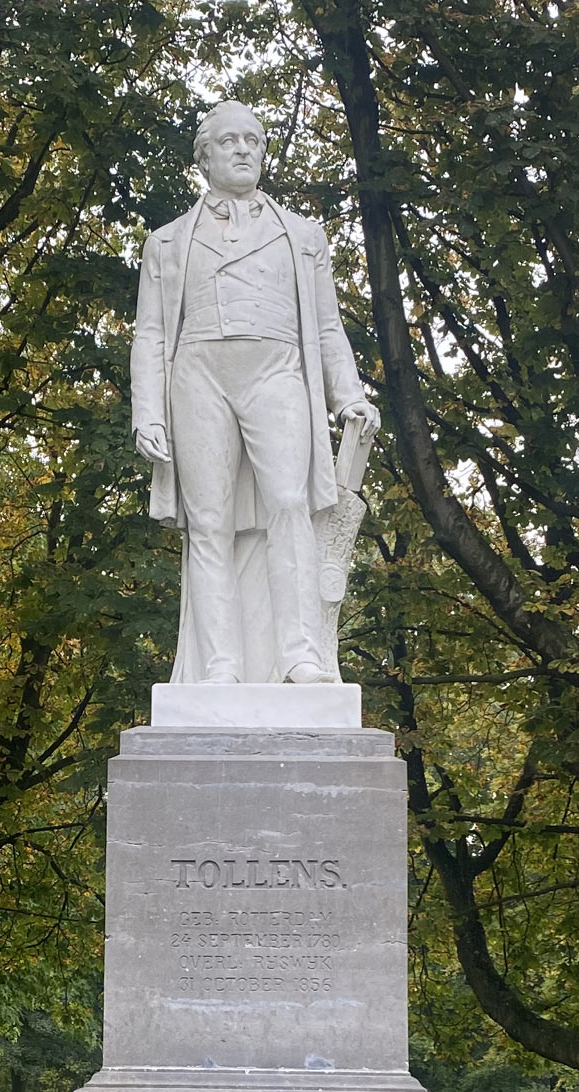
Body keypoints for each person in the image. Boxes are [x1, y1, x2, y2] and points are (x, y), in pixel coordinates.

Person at [131, 102, 379, 684]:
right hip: (198, 374)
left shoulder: (302, 235)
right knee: (209, 520)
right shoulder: (166, 243)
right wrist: (148, 412)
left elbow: (325, 325)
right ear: (205, 155)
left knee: (290, 504)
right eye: (229, 141)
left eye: (253, 140)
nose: (243, 149)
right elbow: (149, 333)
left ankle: (299, 654)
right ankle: (220, 663)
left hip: (277, 370)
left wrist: (349, 395)